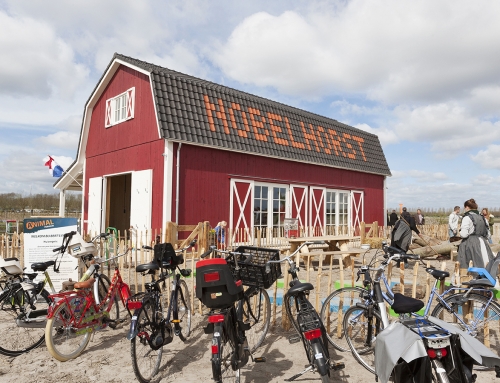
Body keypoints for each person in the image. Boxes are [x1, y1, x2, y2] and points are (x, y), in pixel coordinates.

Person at [457, 199, 494, 269]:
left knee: (469, 265)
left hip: (470, 243)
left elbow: (463, 234)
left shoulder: (467, 218)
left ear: (467, 207)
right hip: (483, 243)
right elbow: (488, 235)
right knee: (485, 263)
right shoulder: (484, 218)